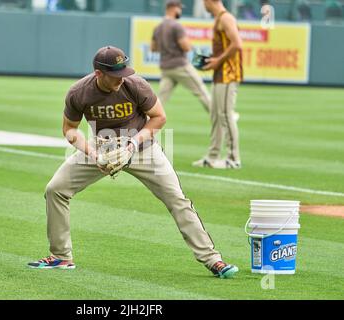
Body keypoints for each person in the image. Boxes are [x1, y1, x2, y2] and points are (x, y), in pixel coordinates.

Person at [28, 45, 239, 279]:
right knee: (56, 189)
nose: (121, 79)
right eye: (115, 75)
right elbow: (69, 129)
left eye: (124, 72)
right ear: (99, 74)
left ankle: (213, 260)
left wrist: (132, 145)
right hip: (102, 147)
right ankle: (61, 257)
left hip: (142, 149)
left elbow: (159, 117)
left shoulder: (135, 84)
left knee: (177, 199)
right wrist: (94, 155)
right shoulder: (79, 92)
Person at [192, 0, 243, 169]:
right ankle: (212, 156)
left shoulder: (226, 18)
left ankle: (233, 158)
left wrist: (217, 61)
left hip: (229, 74)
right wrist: (212, 61)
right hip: (220, 74)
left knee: (225, 115)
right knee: (215, 115)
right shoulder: (219, 18)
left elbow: (237, 44)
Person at [151, 0, 211, 113]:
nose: (180, 11)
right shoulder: (176, 25)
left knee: (160, 100)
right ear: (173, 8)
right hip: (179, 66)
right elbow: (186, 47)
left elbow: (153, 48)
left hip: (165, 68)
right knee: (201, 91)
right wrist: (190, 44)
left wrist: (167, 46)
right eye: (180, 8)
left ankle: (146, 125)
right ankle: (222, 117)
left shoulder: (158, 27)